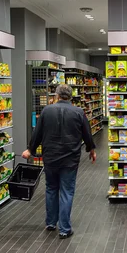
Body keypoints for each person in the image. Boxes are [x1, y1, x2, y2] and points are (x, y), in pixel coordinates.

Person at [22, 84, 96, 239]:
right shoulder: (78, 112)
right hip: (70, 158)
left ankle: (50, 222)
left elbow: (38, 133)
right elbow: (87, 134)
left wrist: (30, 149)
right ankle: (64, 229)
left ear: (56, 95)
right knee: (67, 191)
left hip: (50, 157)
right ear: (71, 96)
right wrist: (91, 150)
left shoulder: (46, 111)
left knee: (51, 189)